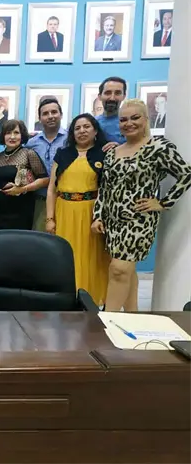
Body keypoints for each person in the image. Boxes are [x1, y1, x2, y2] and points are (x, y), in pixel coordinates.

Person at [92, 99, 191, 312]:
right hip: (112, 221)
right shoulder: (112, 152)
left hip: (138, 220)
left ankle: (107, 320)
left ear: (146, 119)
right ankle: (132, 316)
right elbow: (105, 187)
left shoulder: (159, 148)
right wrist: (98, 215)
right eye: (123, 120)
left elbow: (186, 174)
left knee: (119, 269)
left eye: (135, 118)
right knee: (126, 271)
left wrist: (163, 202)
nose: (129, 123)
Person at [46, 113, 109, 305]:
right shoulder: (63, 154)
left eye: (86, 127)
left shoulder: (104, 154)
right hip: (64, 211)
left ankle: (91, 299)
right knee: (65, 255)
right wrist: (50, 218)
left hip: (91, 213)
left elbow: (107, 190)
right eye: (77, 128)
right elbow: (51, 189)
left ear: (95, 130)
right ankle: (65, 299)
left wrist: (100, 216)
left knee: (91, 257)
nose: (82, 131)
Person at [0, 120, 49, 231]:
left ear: (22, 135)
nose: (12, 137)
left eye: (16, 133)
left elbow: (45, 180)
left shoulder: (28, 153)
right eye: (8, 133)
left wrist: (22, 189)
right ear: (3, 136)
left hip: (22, 211)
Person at [25, 98, 68, 231]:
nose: (50, 116)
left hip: (65, 199)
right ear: (39, 118)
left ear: (61, 114)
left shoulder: (70, 139)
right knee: (41, 239)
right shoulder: (32, 143)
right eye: (45, 113)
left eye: (54, 112)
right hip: (40, 200)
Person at [96, 76, 127, 145]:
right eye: (107, 93)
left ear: (124, 96)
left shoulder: (130, 124)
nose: (112, 98)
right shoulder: (92, 124)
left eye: (117, 93)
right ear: (100, 96)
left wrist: (121, 148)